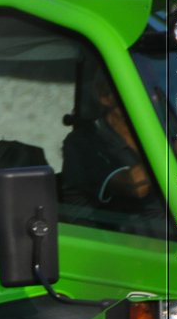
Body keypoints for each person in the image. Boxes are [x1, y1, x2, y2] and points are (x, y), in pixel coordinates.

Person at [61, 70, 167, 236]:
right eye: (142, 89)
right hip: (114, 247)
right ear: (106, 98)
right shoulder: (83, 142)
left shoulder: (159, 135)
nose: (154, 98)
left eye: (155, 90)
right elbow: (135, 185)